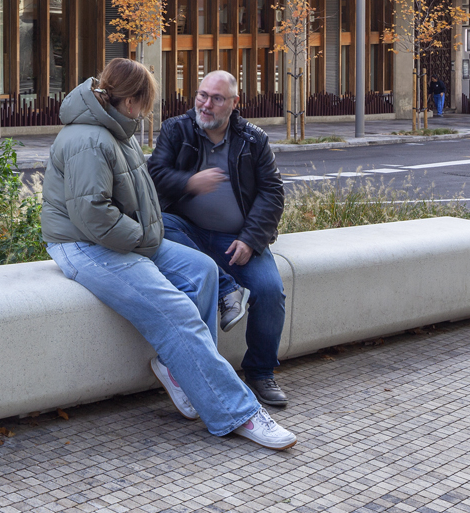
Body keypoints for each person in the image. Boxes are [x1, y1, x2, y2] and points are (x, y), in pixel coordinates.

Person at [43, 58, 295, 450]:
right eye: (146, 102)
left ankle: (180, 369)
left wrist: (145, 235)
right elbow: (92, 214)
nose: (147, 111)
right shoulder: (89, 140)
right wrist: (144, 237)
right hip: (84, 246)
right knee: (175, 310)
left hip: (122, 238)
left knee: (203, 270)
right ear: (131, 102)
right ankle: (237, 411)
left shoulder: (115, 130)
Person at [148, 70, 290, 410]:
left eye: (216, 98)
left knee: (271, 291)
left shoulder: (253, 140)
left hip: (236, 240)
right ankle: (227, 289)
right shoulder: (176, 129)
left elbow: (272, 193)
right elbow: (154, 175)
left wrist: (251, 239)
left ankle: (260, 372)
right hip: (189, 232)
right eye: (201, 95)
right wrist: (189, 182)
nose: (205, 105)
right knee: (163, 224)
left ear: (234, 103)